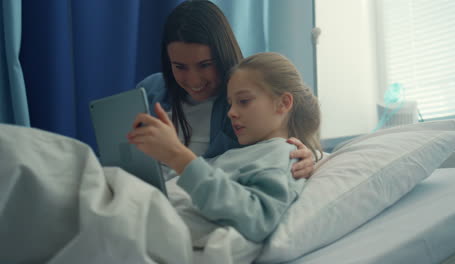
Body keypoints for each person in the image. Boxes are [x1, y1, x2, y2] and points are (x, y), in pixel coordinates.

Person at [127, 52, 323, 242]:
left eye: (243, 101)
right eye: (230, 104)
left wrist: (178, 156)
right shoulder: (239, 152)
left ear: (283, 103)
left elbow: (257, 218)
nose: (231, 113)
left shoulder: (282, 153)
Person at [137, 0, 316, 178]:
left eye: (205, 65)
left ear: (222, 54)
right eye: (180, 67)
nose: (194, 80)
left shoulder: (245, 106)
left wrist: (307, 155)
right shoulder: (150, 90)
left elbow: (278, 145)